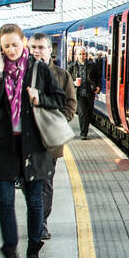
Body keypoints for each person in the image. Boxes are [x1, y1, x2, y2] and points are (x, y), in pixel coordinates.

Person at [0, 24, 65, 258]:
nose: (11, 50)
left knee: (34, 202)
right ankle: (10, 257)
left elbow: (59, 100)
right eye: (5, 46)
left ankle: (32, 253)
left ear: (24, 44)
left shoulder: (39, 70)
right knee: (5, 202)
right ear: (0, 47)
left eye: (15, 45)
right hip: (4, 145)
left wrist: (40, 98)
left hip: (33, 145)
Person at [28, 33, 77, 240]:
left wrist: (59, 122)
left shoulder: (61, 75)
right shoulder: (22, 73)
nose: (37, 51)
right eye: (33, 47)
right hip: (26, 138)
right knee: (29, 184)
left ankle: (42, 223)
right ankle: (36, 219)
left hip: (49, 140)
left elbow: (71, 103)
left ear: (50, 49)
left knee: (45, 183)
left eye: (41, 47)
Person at [72, 47, 99, 140]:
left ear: (86, 55)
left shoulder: (92, 65)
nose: (82, 56)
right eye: (80, 54)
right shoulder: (72, 66)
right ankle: (83, 133)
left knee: (89, 113)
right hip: (79, 94)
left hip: (89, 93)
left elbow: (97, 77)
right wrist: (74, 83)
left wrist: (98, 86)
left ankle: (85, 130)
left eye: (83, 54)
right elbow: (67, 80)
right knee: (82, 113)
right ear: (76, 55)